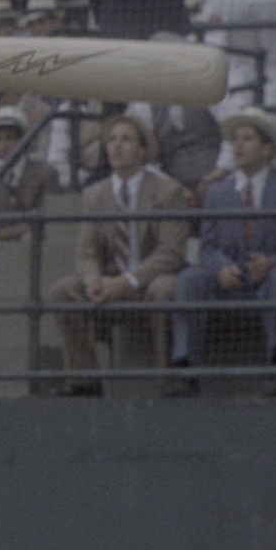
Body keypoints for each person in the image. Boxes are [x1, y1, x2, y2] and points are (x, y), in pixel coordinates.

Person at [168, 108, 276, 396]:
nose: (238, 145)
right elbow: (207, 248)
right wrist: (220, 267)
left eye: (247, 139)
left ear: (267, 148)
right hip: (229, 276)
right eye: (235, 139)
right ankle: (186, 369)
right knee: (189, 278)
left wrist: (273, 262)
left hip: (270, 277)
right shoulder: (216, 193)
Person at [46, 114, 190, 395]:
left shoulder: (167, 191)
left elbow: (171, 253)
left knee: (165, 288)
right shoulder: (95, 195)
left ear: (142, 151)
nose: (116, 146)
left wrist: (125, 282)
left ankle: (168, 380)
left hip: (148, 281)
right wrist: (93, 280)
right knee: (63, 290)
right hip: (110, 282)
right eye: (112, 139)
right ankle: (83, 381)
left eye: (126, 139)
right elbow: (86, 251)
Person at [0, 106, 57, 241]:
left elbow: (48, 217)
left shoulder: (46, 173)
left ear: (23, 140)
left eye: (9, 138)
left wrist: (11, 232)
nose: (3, 145)